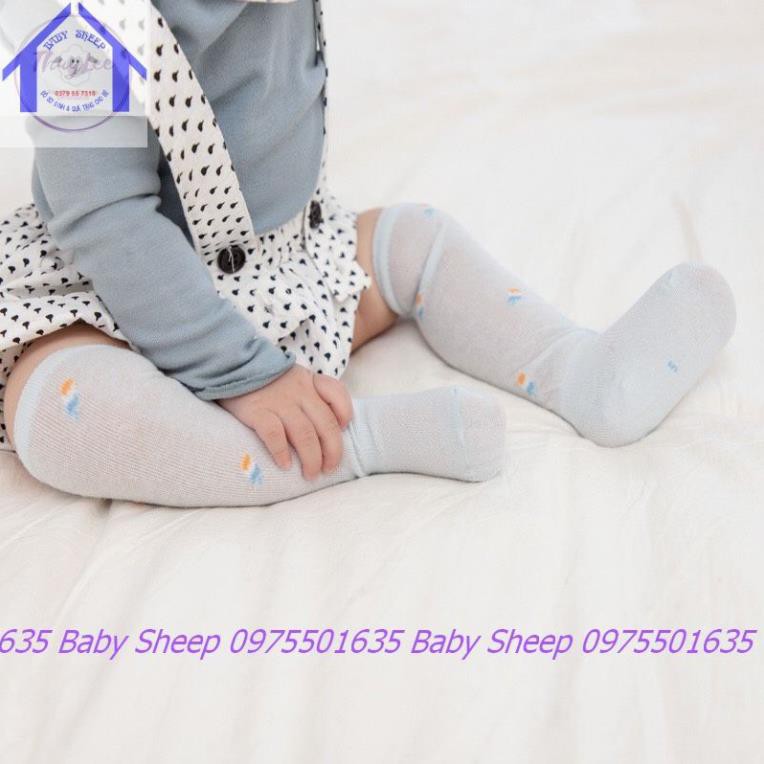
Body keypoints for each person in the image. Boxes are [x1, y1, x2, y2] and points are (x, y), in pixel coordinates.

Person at [0, 0, 736, 507]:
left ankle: (580, 371)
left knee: (413, 237)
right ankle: (358, 445)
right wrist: (240, 372)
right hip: (118, 297)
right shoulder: (73, 33)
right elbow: (104, 221)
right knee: (63, 412)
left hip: (287, 270)